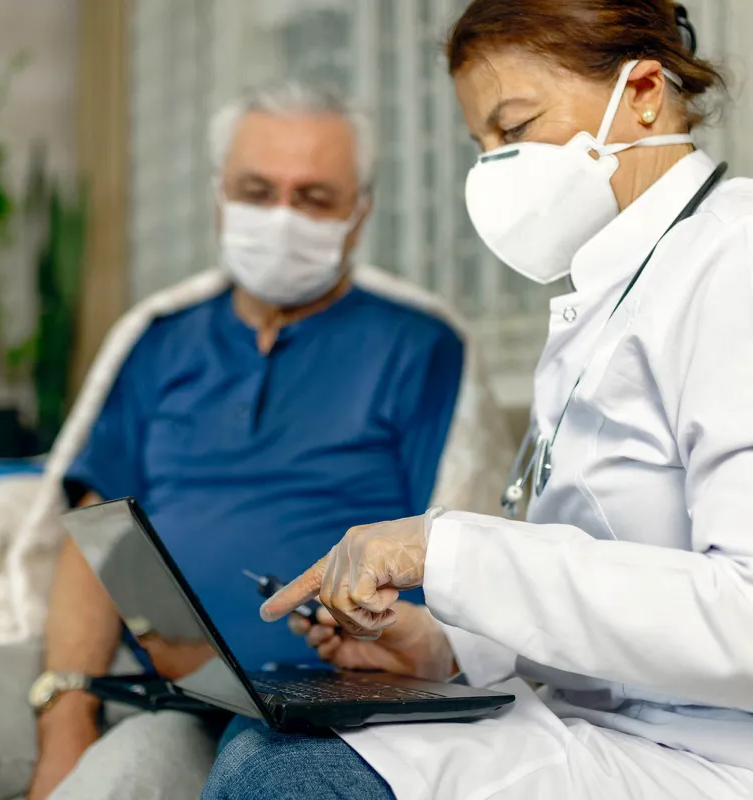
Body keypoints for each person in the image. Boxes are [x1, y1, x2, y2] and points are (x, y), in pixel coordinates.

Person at [202, 3, 753, 799]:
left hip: (708, 757)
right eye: (479, 145)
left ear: (641, 92)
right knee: (276, 729)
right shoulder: (610, 289)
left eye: (515, 126)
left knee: (286, 775)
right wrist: (451, 652)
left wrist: (446, 550)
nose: (494, 167)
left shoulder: (733, 262)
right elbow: (617, 591)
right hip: (605, 727)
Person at [0, 81, 492, 800]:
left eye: (314, 198)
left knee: (121, 777)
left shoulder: (421, 349)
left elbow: (459, 549)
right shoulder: (161, 341)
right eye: (257, 190)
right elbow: (96, 540)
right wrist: (67, 712)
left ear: (360, 214)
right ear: (219, 199)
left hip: (284, 707)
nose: (281, 218)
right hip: (122, 667)